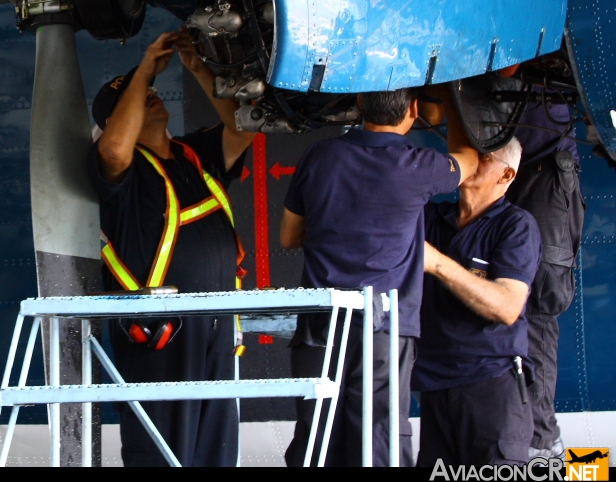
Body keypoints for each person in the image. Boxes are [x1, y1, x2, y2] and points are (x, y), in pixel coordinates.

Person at [280, 87, 479, 467]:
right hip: (383, 330)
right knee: (379, 436)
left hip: (320, 327)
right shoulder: (419, 165)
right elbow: (469, 159)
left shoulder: (320, 156)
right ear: (414, 109)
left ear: (358, 104)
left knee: (316, 436)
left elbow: (289, 236)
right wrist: (454, 99)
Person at [88, 29, 255, 467]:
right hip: (164, 338)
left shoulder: (194, 154)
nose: (150, 96)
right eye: (137, 96)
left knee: (217, 452)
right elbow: (113, 148)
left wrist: (199, 66)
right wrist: (143, 69)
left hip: (216, 326)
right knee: (163, 454)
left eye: (150, 91)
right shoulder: (120, 177)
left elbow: (242, 129)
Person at [415, 137, 540, 465]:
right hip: (434, 385)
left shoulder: (515, 226)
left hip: (491, 386)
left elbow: (507, 307)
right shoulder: (431, 218)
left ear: (506, 175)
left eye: (483, 157)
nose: (468, 161)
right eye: (465, 153)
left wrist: (439, 264)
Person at [505, 84, 586, 460]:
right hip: (540, 182)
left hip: (546, 183)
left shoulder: (535, 70)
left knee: (537, 312)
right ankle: (539, 440)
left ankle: (542, 444)